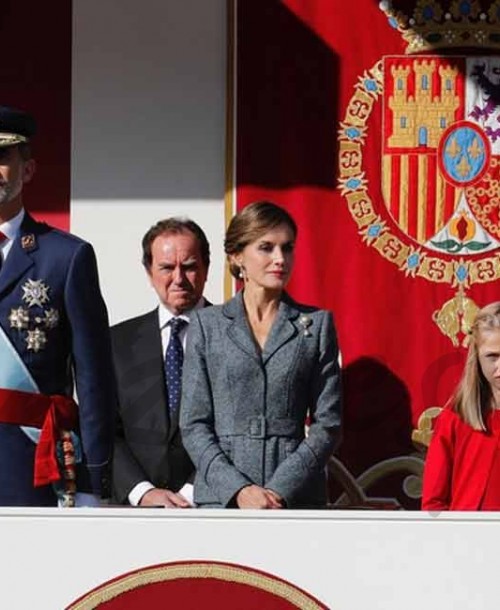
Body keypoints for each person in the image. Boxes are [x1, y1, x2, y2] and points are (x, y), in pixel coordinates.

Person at [180, 201, 342, 508]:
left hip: (295, 499)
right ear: (237, 256)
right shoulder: (207, 325)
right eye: (266, 248)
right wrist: (238, 490)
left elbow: (328, 424)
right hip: (222, 499)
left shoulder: (317, 325)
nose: (280, 259)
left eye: (287, 248)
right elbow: (193, 424)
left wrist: (280, 488)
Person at [0, 106, 114, 506]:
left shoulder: (66, 257)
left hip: (32, 464)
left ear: (27, 170)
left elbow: (94, 378)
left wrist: (91, 482)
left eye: (2, 157)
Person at [111, 218, 210, 507]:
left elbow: (237, 432)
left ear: (206, 268)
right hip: (135, 513)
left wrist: (192, 493)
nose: (178, 278)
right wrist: (142, 492)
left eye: (189, 266)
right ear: (149, 271)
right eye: (167, 267)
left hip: (212, 509)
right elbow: (104, 429)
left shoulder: (235, 337)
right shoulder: (115, 343)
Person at [422, 302, 500, 511]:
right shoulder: (456, 418)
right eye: (492, 356)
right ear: (477, 356)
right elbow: (433, 504)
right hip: (467, 539)